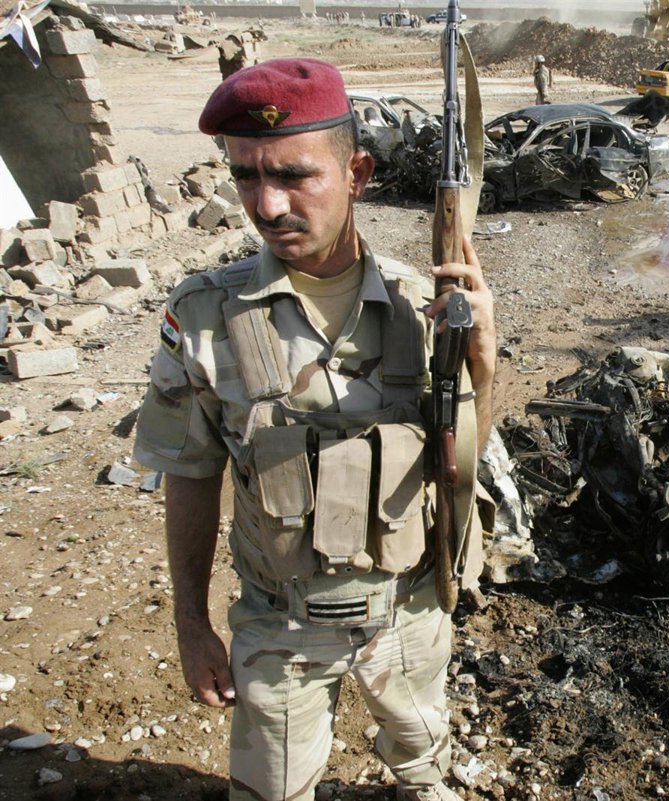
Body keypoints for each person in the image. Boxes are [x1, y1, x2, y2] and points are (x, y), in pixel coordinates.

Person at [133, 58, 496, 801]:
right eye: (245, 176)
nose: (267, 205)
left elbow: (461, 456)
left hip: (408, 614)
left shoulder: (425, 304)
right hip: (280, 629)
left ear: (357, 173)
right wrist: (191, 623)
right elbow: (190, 472)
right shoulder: (203, 316)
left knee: (425, 769)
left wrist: (482, 365)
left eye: (295, 175)